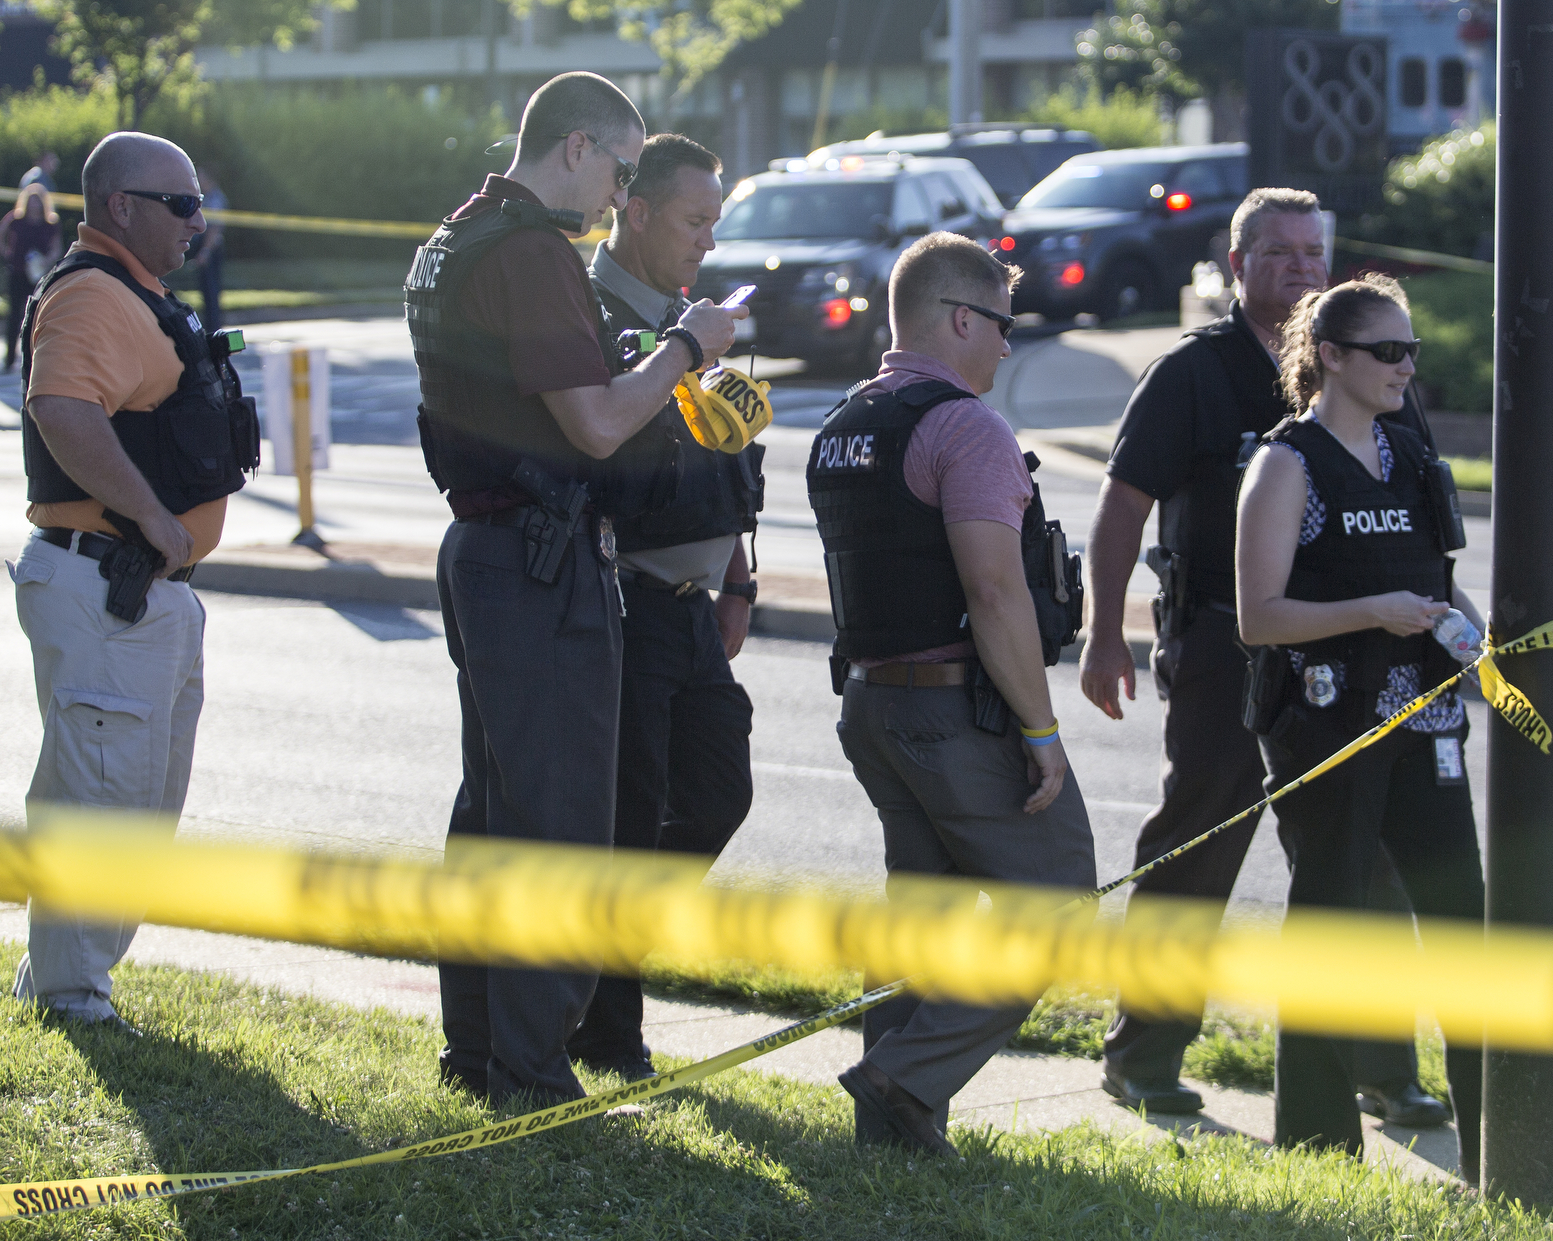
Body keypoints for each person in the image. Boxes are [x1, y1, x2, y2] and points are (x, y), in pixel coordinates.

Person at [407, 73, 743, 1109]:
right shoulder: (532, 254)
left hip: (487, 545)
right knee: (557, 824)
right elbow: (594, 424)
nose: (617, 199)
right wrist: (689, 345)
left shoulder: (452, 239)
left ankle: (478, 1053)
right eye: (620, 171)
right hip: (540, 557)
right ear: (577, 148)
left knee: (494, 811)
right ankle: (536, 1075)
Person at [1078, 188, 1446, 1126]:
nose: (1301, 268)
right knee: (1199, 843)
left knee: (1364, 865)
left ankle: (1378, 1064)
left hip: (1361, 660)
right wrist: (1102, 630)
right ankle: (1144, 1053)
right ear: (1235, 265)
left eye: (1314, 251)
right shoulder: (1195, 374)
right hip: (1224, 645)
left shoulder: (1372, 367)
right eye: (1278, 253)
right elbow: (1123, 504)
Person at [810, 232, 1092, 1158]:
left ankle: (890, 1134)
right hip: (951, 707)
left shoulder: (844, 422)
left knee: (920, 914)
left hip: (872, 704)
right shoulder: (966, 426)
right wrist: (1040, 730)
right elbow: (995, 592)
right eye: (1003, 325)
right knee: (1056, 900)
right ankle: (902, 1078)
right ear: (960, 317)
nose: (1009, 347)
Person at [1233, 273, 1485, 1184]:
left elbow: (1439, 573)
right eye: (1387, 351)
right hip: (1327, 729)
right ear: (1329, 357)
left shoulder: (1411, 453)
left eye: (1411, 351)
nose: (1404, 367)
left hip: (1428, 720)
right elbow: (1258, 616)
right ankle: (1316, 1152)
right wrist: (1372, 609)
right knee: (1332, 933)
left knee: (1465, 928)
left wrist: (1471, 635)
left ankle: (1495, 1150)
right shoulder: (1286, 462)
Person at [9, 131, 258, 1030]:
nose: (199, 220)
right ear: (121, 207)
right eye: (181, 204)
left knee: (138, 800)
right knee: (100, 798)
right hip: (106, 582)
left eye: (200, 202)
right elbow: (61, 406)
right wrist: (153, 520)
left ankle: (62, 978)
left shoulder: (142, 297)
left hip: (150, 595)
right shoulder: (89, 295)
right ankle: (72, 996)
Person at [565, 133, 763, 1082]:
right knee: (630, 814)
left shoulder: (700, 319)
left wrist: (740, 578)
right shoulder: (590, 314)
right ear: (634, 212)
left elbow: (734, 454)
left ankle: (600, 964)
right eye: (694, 222)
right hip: (622, 599)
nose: (706, 243)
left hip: (694, 606)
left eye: (715, 224)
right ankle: (609, 1038)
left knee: (719, 792)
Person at [0, 183, 64, 374]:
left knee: (37, 317)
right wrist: (7, 254)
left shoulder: (50, 223)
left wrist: (45, 261)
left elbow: (56, 248)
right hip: (17, 272)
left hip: (38, 275)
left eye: (37, 202)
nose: (33, 206)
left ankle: (37, 359)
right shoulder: (16, 219)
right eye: (30, 201)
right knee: (14, 316)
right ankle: (9, 359)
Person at [189, 171, 228, 336]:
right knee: (206, 290)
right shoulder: (206, 197)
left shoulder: (216, 198)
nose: (200, 181)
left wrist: (205, 252)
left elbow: (214, 229)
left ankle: (214, 329)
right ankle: (211, 325)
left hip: (211, 250)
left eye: (202, 178)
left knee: (211, 290)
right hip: (205, 248)